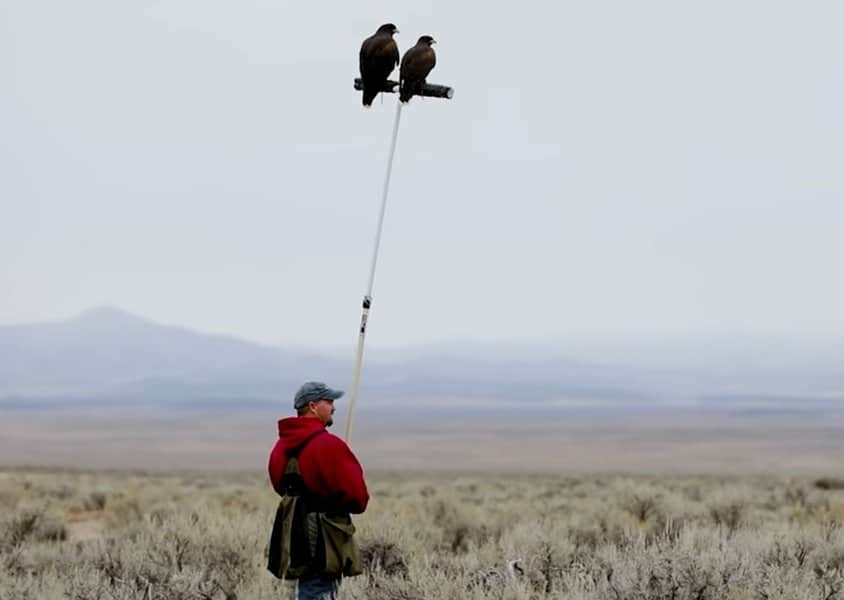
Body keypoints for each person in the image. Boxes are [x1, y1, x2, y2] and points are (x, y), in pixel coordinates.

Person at [268, 381, 369, 600]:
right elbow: (358, 498)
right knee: (318, 589)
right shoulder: (329, 445)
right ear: (313, 406)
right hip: (324, 536)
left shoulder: (280, 446)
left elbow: (279, 486)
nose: (333, 407)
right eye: (329, 402)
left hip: (291, 528)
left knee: (307, 586)